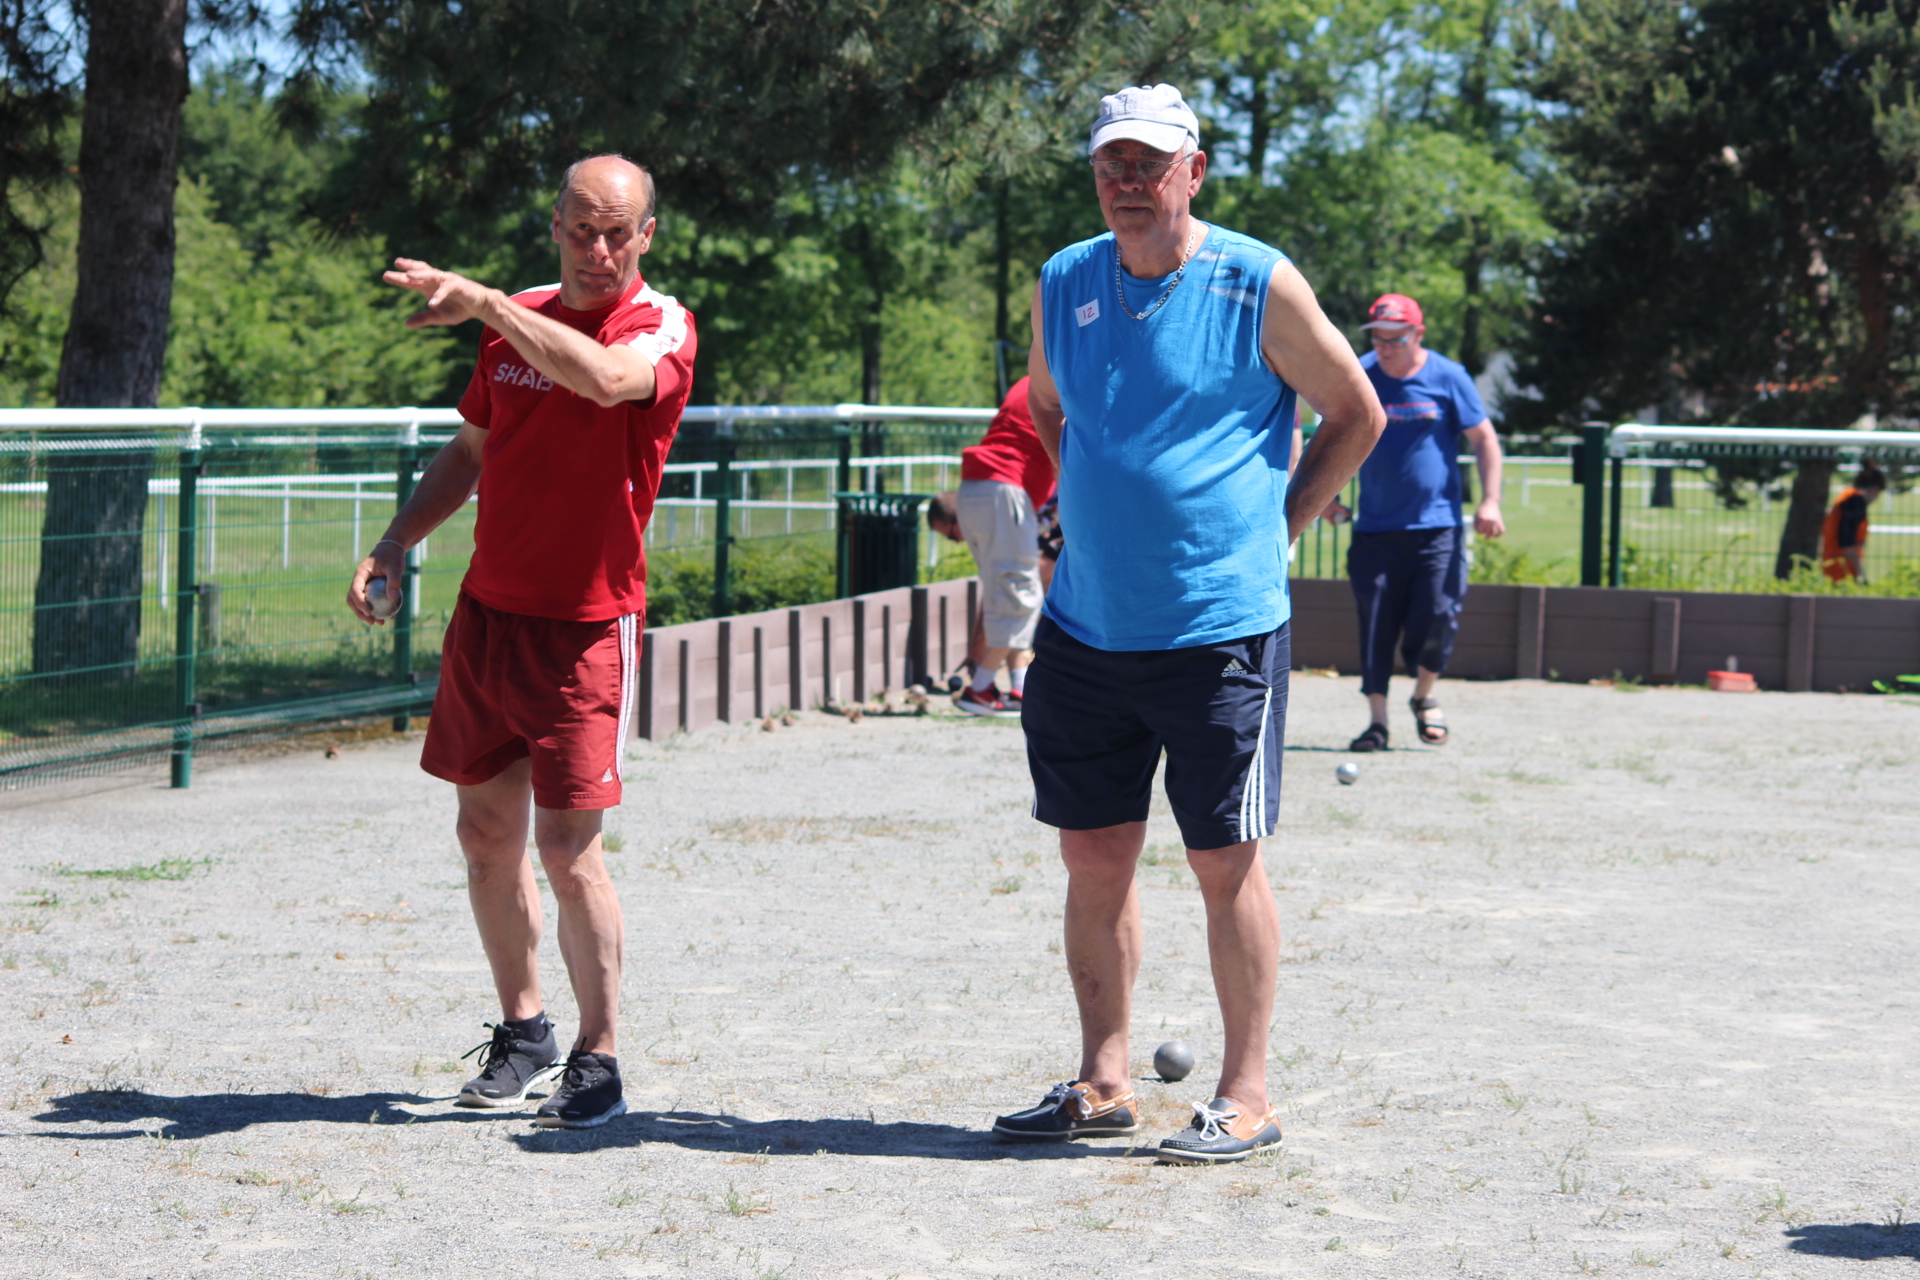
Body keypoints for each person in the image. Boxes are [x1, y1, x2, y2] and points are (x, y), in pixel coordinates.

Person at [993, 84, 1383, 1164]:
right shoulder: (1065, 278)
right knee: (1093, 856)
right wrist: (1086, 500)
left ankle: (1246, 1094)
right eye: (1111, 163)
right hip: (1085, 629)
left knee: (1224, 862)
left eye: (1149, 163)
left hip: (1219, 632)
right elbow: (1043, 403)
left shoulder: (1258, 280)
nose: (1128, 180)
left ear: (1192, 171)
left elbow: (1358, 412)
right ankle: (1103, 1080)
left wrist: (1279, 528)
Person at [345, 154, 696, 1129]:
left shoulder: (659, 323)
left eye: (617, 232)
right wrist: (394, 542)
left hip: (586, 627)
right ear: (554, 226)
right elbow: (471, 450)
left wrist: (490, 305)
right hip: (489, 615)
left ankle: (600, 1056)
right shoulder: (514, 320)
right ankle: (526, 1028)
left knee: (568, 849)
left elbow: (604, 381)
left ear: (647, 235)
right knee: (484, 834)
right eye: (581, 229)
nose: (598, 250)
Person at [1334, 293, 1504, 752]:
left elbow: (1484, 439)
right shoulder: (1360, 375)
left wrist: (1490, 501)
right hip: (1375, 530)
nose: (1386, 347)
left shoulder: (1448, 376)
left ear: (1418, 334)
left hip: (1438, 527)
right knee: (1376, 624)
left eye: (1397, 338)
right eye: (1379, 338)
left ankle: (1424, 695)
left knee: (1439, 614)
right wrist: (1328, 497)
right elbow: (1332, 434)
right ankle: (1377, 722)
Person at [925, 377, 1055, 716]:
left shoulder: (1034, 376)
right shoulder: (1069, 370)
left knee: (1007, 591)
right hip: (1004, 487)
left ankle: (1020, 687)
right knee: (1021, 596)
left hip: (979, 485)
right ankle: (980, 689)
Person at [1821, 463, 1886, 584]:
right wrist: (1861, 574)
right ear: (1875, 489)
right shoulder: (1855, 502)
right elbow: (1847, 543)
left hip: (1833, 566)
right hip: (1841, 571)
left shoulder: (1847, 497)